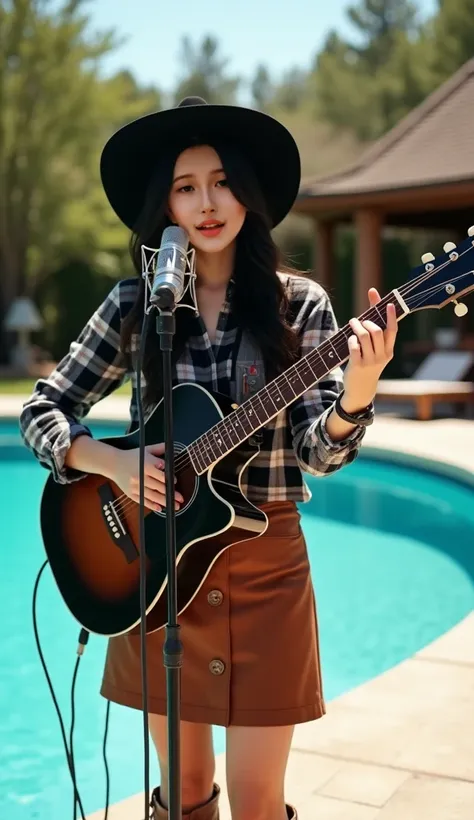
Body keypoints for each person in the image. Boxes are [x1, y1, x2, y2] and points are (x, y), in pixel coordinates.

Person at [19, 96, 398, 820]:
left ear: (248, 192)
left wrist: (358, 390)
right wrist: (108, 463)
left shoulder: (303, 306)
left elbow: (319, 453)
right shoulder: (135, 303)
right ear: (164, 204)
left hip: (267, 568)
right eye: (185, 186)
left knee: (259, 803)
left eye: (221, 181)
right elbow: (42, 409)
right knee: (184, 798)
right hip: (152, 570)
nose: (206, 202)